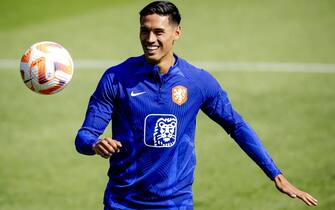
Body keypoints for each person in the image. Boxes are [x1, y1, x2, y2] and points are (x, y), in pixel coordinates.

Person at [75, 1, 318, 209]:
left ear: (177, 33)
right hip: (122, 202)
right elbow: (84, 136)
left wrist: (276, 174)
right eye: (144, 31)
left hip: (174, 203)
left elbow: (236, 126)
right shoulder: (116, 78)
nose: (150, 39)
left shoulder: (198, 82)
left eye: (158, 32)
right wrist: (95, 144)